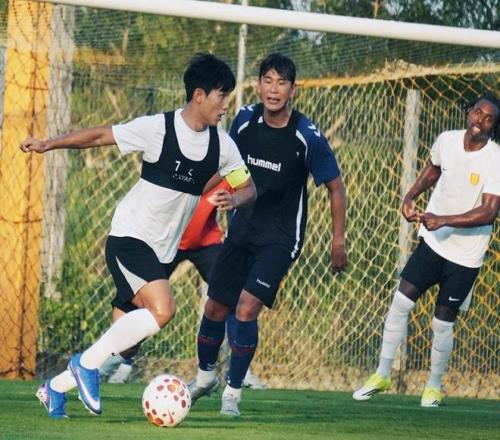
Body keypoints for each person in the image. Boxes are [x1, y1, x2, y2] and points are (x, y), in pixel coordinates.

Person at [21, 53, 257, 419]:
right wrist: (48, 144)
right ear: (199, 95)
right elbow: (101, 135)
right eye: (221, 95)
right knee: (163, 310)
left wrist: (234, 199)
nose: (226, 104)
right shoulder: (158, 128)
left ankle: (54, 389)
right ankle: (84, 365)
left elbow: (248, 188)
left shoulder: (222, 146)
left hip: (161, 252)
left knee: (125, 345)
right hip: (130, 237)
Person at [188, 53, 347, 416]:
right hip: (241, 230)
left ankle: (232, 393)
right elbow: (226, 167)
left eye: (282, 83)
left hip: (280, 238)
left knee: (246, 308)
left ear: (293, 90)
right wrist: (194, 193)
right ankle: (204, 378)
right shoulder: (244, 120)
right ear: (258, 85)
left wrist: (338, 241)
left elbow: (336, 188)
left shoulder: (307, 136)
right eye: (268, 81)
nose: (274, 89)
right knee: (215, 307)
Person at [353, 92, 500, 407]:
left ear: (493, 127)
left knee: (442, 322)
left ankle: (433, 387)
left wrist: (442, 219)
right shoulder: (446, 140)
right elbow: (433, 168)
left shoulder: (495, 159)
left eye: (489, 119)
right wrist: (410, 196)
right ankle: (382, 374)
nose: (480, 121)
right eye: (478, 112)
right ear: (469, 112)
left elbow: (489, 212)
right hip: (433, 243)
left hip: (466, 256)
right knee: (400, 302)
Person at [101, 179, 266, 389]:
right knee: (133, 300)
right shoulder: (176, 166)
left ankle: (240, 372)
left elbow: (246, 193)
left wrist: (234, 202)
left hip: (206, 244)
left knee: (232, 298)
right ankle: (120, 361)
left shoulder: (225, 169)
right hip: (166, 243)